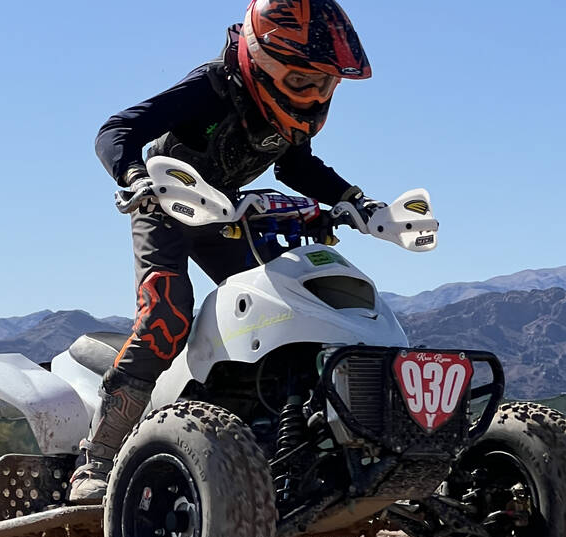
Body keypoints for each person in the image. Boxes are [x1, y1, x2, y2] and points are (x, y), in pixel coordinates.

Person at [69, 0, 381, 502]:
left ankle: (275, 440)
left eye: (325, 84)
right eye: (303, 80)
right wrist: (135, 178)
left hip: (226, 215)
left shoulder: (282, 111)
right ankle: (97, 460)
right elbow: (117, 130)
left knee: (282, 311)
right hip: (164, 205)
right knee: (167, 316)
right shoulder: (211, 87)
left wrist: (352, 199)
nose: (313, 95)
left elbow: (295, 166)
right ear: (262, 60)